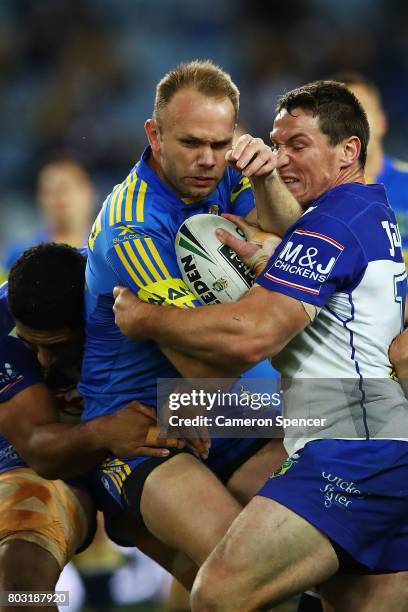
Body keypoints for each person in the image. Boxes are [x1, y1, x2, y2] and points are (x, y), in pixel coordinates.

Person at [113, 80, 408, 611]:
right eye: (277, 145)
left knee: (219, 594)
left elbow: (252, 337)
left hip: (349, 449)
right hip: (378, 440)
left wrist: (146, 319)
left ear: (349, 151)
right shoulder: (370, 212)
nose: (282, 159)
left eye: (298, 146)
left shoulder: (332, 223)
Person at [79, 59, 288, 587]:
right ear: (154, 134)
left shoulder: (232, 176)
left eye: (221, 145)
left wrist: (266, 181)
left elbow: (308, 250)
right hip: (144, 431)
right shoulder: (134, 226)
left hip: (221, 415)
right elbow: (206, 371)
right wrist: (268, 288)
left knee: (337, 497)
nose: (208, 160)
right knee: (247, 574)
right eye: (192, 142)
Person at [0, 243, 180, 611]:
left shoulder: (138, 292)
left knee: (229, 575)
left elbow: (248, 391)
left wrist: (190, 407)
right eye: (31, 346)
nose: (44, 360)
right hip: (45, 456)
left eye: (58, 346)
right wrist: (104, 431)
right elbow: (38, 447)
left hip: (137, 441)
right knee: (17, 583)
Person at [332, 72, 408, 259]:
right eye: (340, 116)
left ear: (382, 123)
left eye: (361, 111)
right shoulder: (315, 194)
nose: (351, 124)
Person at [3, 157, 96, 270]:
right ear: (39, 198)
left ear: (88, 193)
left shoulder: (106, 251)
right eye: (50, 191)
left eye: (65, 188)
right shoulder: (20, 254)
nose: (59, 197)